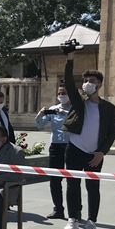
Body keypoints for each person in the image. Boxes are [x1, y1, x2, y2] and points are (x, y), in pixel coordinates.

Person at [62, 52, 115, 229]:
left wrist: (102, 152)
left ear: (99, 84)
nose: (87, 83)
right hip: (75, 150)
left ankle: (92, 221)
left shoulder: (109, 108)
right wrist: (70, 59)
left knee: (93, 187)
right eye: (85, 80)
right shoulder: (80, 103)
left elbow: (112, 133)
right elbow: (69, 83)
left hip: (94, 154)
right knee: (72, 184)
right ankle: (73, 218)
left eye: (91, 80)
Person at [35, 85, 72, 219]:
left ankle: (75, 211)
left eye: (65, 93)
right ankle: (58, 209)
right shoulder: (53, 109)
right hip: (56, 145)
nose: (62, 95)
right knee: (54, 179)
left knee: (72, 179)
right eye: (60, 93)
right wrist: (40, 114)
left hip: (71, 146)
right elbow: (39, 125)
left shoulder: (76, 109)